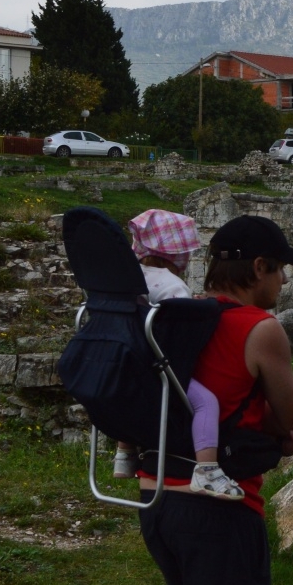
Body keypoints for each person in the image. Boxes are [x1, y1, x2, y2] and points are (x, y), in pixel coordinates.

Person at [136, 214, 293, 585]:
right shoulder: (260, 328)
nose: (284, 281)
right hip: (218, 512)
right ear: (258, 267)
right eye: (280, 268)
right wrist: (282, 432)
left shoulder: (177, 316)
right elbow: (292, 418)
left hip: (156, 499)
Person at [116, 209, 243, 501]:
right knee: (206, 402)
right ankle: (207, 470)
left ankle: (124, 454)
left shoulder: (127, 277)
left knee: (130, 399)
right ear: (174, 252)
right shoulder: (171, 284)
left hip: (126, 365)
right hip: (156, 368)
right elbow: (181, 328)